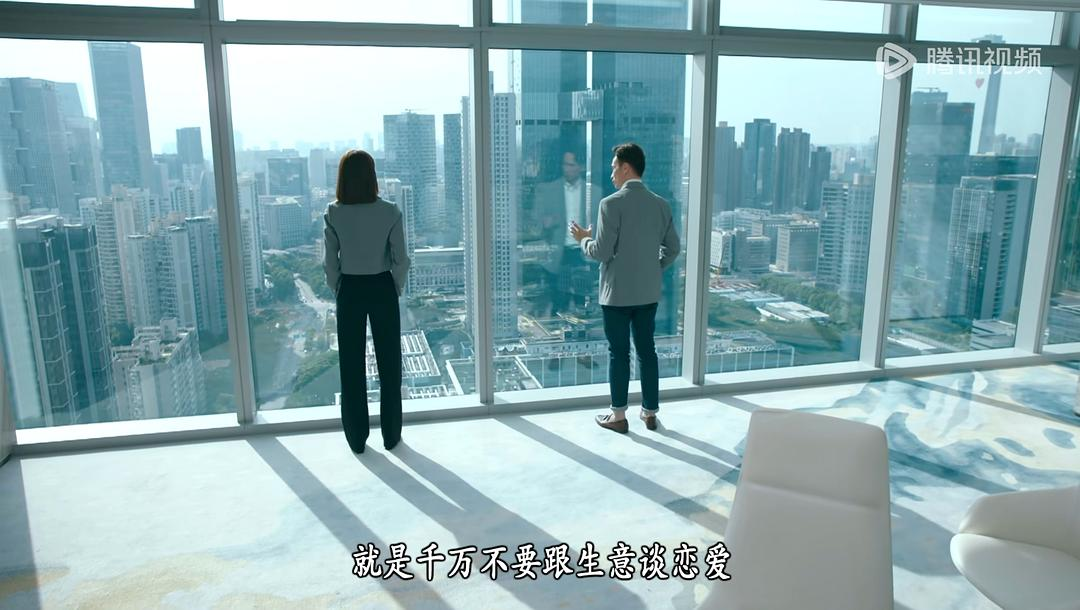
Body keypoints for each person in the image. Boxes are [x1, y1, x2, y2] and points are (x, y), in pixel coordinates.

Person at [570, 143, 680, 433]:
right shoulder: (661, 204)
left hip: (617, 294)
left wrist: (583, 239)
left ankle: (618, 416)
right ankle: (650, 412)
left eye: (614, 168)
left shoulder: (610, 204)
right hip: (647, 293)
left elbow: (602, 252)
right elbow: (673, 249)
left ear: (626, 168)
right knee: (647, 351)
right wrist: (653, 269)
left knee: (619, 353)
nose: (612, 174)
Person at [324, 150, 410, 453]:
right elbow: (401, 259)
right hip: (382, 286)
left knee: (351, 366)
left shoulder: (334, 213)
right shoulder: (389, 211)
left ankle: (357, 438)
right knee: (390, 365)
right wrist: (394, 286)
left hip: (350, 288)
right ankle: (391, 436)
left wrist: (339, 287)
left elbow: (329, 262)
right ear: (372, 176)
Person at [535, 151, 601, 317]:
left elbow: (601, 227)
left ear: (581, 167)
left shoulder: (594, 193)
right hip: (559, 254)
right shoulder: (549, 190)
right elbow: (535, 222)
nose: (566, 169)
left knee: (583, 305)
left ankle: (581, 330)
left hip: (582, 254)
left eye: (571, 165)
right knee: (559, 303)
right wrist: (545, 223)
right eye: (564, 164)